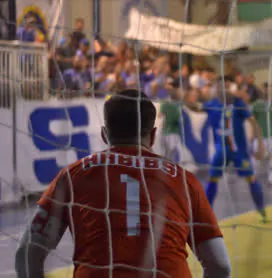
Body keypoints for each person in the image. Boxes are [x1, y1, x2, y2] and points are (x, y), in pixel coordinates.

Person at [15, 89, 231, 278]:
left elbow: (26, 254)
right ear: (153, 135)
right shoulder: (183, 179)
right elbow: (220, 266)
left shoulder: (73, 175)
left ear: (104, 134)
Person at [203, 76, 268, 223]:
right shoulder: (211, 104)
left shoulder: (238, 104)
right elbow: (195, 107)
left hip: (239, 151)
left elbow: (253, 122)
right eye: (221, 86)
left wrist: (261, 144)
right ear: (216, 88)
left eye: (227, 86)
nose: (224, 89)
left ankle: (261, 208)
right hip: (221, 150)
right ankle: (206, 215)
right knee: (212, 179)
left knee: (251, 178)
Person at [251, 82, 272, 187]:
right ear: (261, 90)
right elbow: (251, 120)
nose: (267, 91)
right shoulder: (256, 104)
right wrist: (253, 134)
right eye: (264, 88)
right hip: (260, 137)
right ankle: (252, 178)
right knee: (258, 159)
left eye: (268, 88)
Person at [159, 90, 197, 174]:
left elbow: (160, 115)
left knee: (170, 152)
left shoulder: (165, 104)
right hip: (173, 132)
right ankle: (170, 169)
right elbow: (180, 120)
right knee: (173, 151)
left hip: (166, 132)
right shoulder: (179, 106)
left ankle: (168, 169)